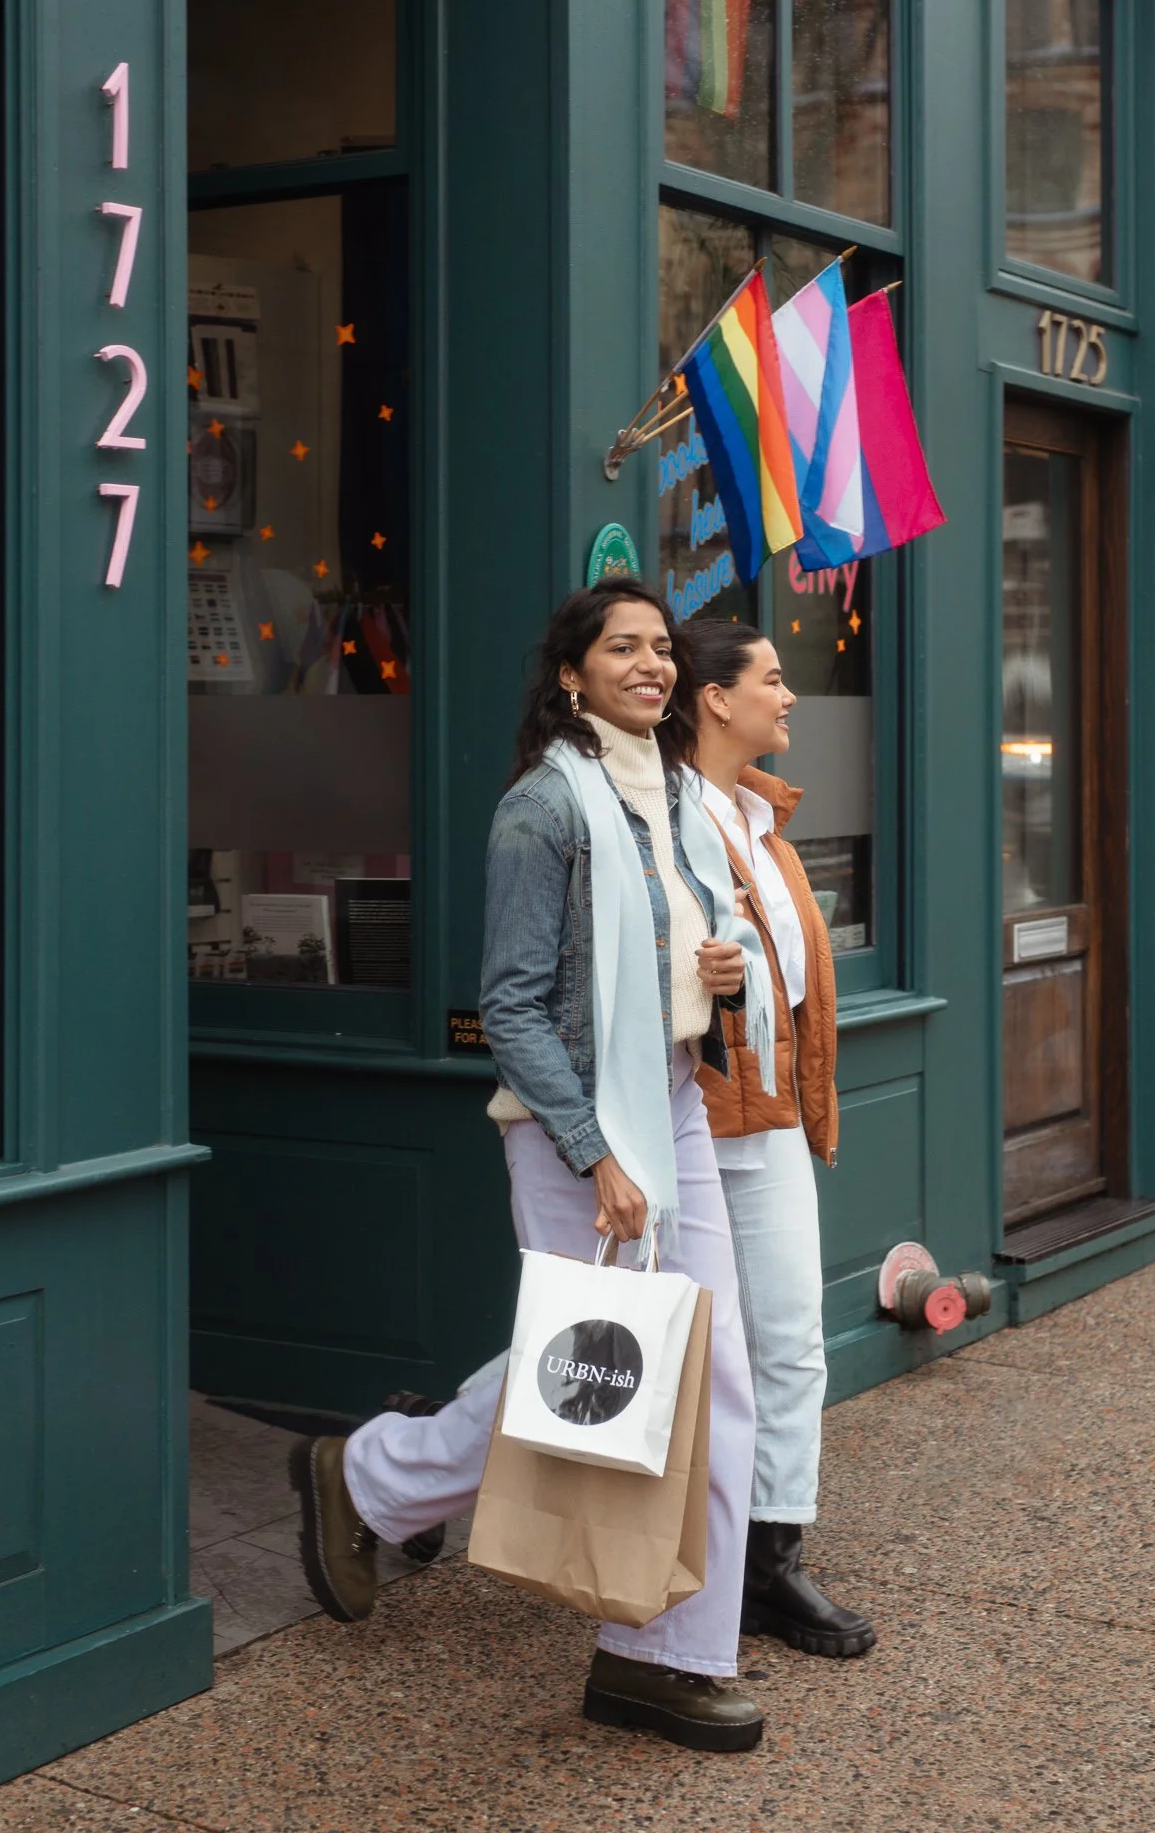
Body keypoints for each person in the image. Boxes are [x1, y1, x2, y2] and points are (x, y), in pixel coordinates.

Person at [290, 579, 769, 1752]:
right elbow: (509, 1007)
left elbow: (708, 953)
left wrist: (720, 977)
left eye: (663, 647)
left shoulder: (676, 799)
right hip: (578, 1127)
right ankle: (370, 1477)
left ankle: (664, 1651)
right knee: (597, 1366)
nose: (652, 664)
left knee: (702, 1373)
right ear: (573, 673)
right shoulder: (543, 808)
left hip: (672, 1103)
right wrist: (594, 1149)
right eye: (624, 648)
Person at [686, 618, 876, 1658]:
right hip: (698, 1120)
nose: (789, 693)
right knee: (656, 1353)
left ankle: (768, 1561)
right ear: (714, 697)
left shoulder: (762, 821)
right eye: (770, 676)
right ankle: (399, 1463)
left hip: (771, 1120)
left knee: (787, 1343)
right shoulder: (674, 813)